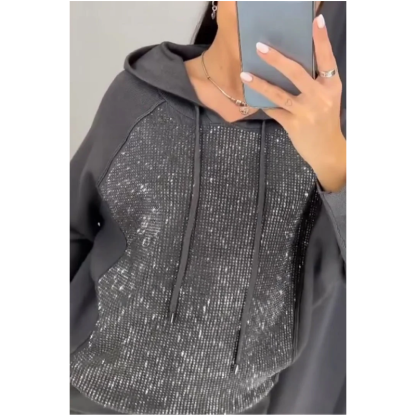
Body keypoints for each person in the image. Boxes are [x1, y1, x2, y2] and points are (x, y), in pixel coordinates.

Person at [70, 1, 346, 414]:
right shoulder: (138, 95)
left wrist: (336, 161)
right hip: (88, 391)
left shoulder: (328, 138)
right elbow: (71, 226)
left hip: (236, 406)